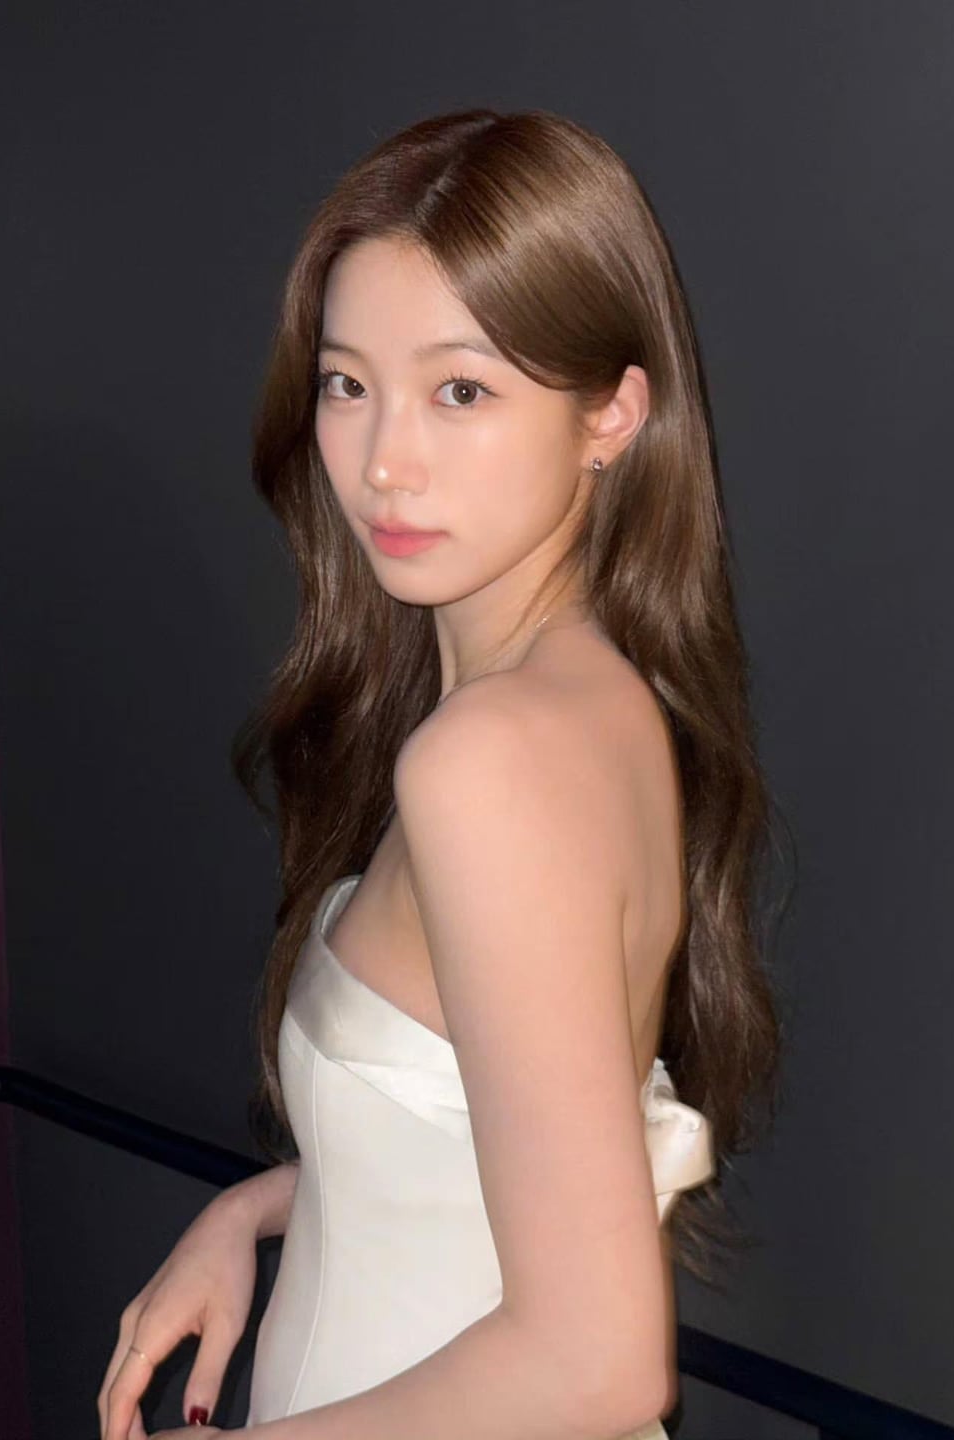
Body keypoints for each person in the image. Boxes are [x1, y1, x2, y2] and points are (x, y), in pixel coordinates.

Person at [97, 106, 782, 1440]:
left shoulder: (489, 760)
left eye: (461, 390)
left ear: (611, 413)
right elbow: (484, 1139)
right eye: (347, 384)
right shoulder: (597, 701)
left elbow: (597, 1364)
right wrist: (257, 1209)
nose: (382, 463)